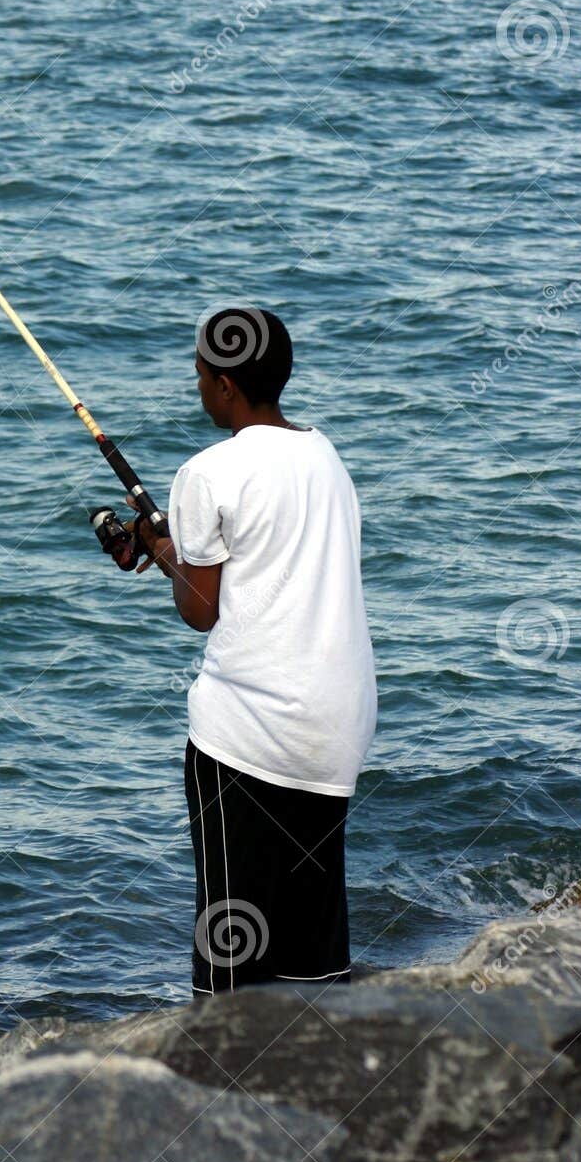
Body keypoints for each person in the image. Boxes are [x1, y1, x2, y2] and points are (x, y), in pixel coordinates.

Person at [133, 307, 376, 994]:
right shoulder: (324, 456)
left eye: (202, 376)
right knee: (313, 946)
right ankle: (325, 1070)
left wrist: (164, 556)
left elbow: (200, 611)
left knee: (232, 950)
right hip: (336, 726)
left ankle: (225, 1075)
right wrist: (172, 548)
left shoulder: (208, 473)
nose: (199, 387)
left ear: (227, 387)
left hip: (249, 734)